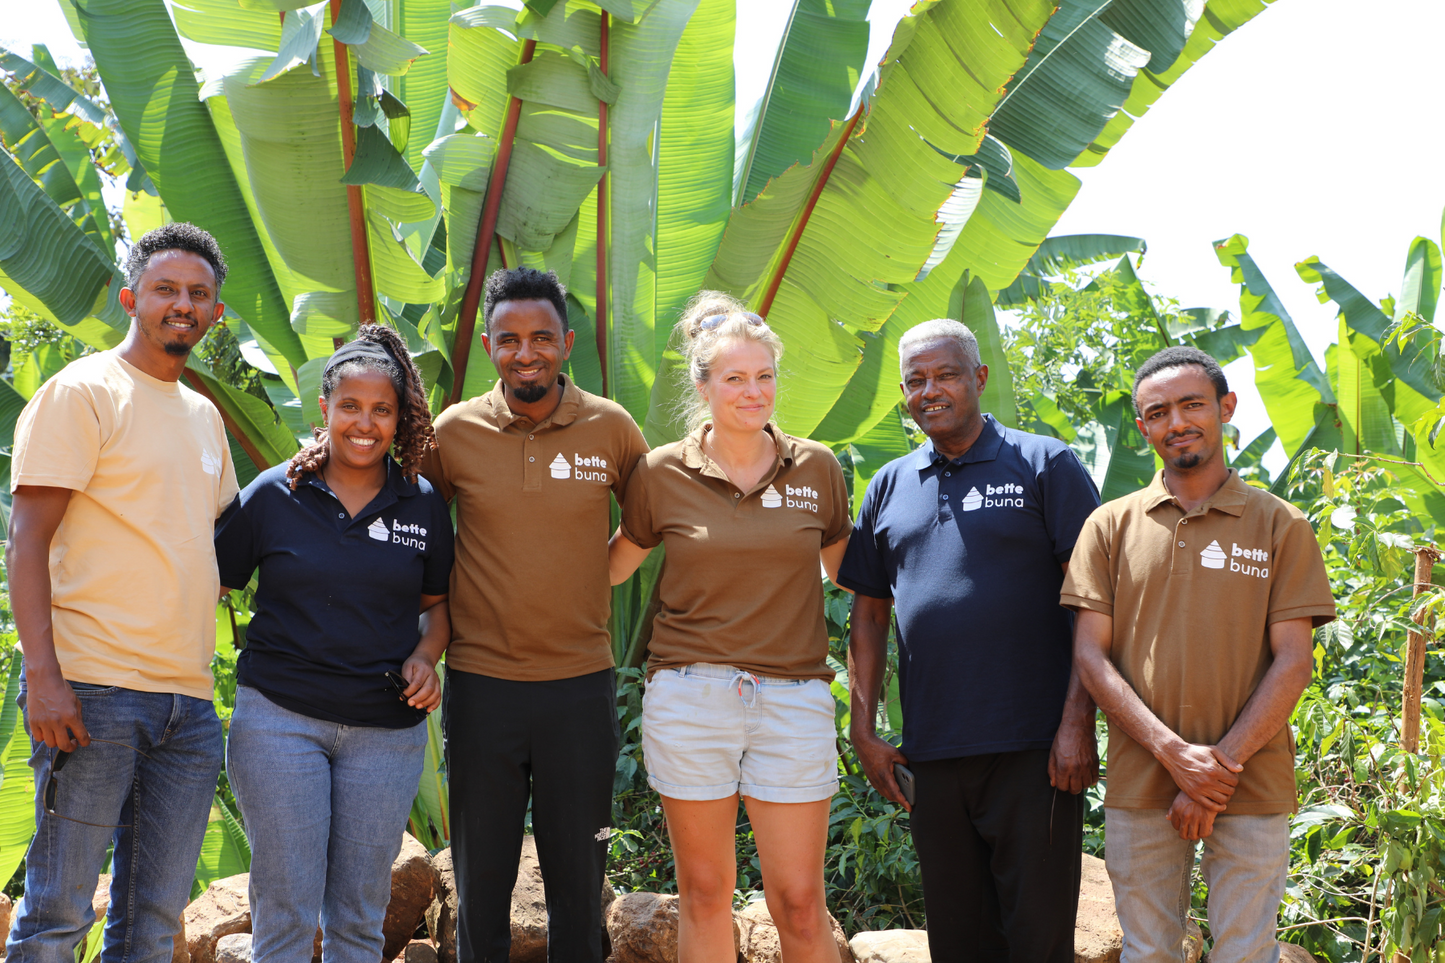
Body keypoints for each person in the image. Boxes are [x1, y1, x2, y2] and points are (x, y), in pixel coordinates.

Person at [4, 223, 239, 963]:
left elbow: (223, 543)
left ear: (216, 314)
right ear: (131, 297)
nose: (183, 303)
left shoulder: (205, 416)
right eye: (166, 289)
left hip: (188, 705)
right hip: (92, 689)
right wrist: (44, 677)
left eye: (198, 293)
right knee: (57, 912)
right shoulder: (84, 391)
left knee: (150, 921)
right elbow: (27, 541)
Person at [836, 318, 1101, 963]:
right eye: (916, 380)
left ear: (979, 378)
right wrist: (863, 731)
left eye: (946, 374)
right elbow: (868, 617)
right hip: (932, 753)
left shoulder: (1044, 463)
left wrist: (1076, 723)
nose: (931, 390)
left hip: (1033, 749)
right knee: (959, 943)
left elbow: (1095, 604)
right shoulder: (889, 485)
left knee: (1038, 941)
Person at [1062, 346, 1334, 963]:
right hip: (1141, 781)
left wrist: (1216, 771)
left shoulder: (1279, 524)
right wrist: (1173, 755)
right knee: (1148, 951)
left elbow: (1294, 662)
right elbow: (1091, 658)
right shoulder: (1109, 526)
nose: (1176, 422)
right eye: (1158, 412)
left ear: (1226, 408)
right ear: (1143, 428)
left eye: (1192, 405)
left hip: (1253, 780)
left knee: (1244, 952)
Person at [607, 293, 852, 963]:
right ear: (702, 382)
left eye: (764, 376)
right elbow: (607, 570)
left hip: (794, 699)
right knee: (706, 891)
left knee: (800, 901)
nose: (753, 391)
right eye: (735, 378)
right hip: (689, 696)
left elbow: (855, 578)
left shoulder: (817, 468)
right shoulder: (661, 471)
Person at [421, 267, 648, 963]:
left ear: (565, 343)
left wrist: (589, 581)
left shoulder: (610, 426)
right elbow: (420, 537)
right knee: (481, 879)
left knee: (577, 882)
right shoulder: (454, 432)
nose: (527, 352)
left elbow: (643, 525)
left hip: (579, 685)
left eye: (542, 337)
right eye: (510, 338)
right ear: (489, 344)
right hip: (482, 684)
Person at [214, 324, 454, 963]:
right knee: (286, 911)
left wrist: (426, 658)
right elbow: (210, 583)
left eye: (382, 410)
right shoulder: (274, 493)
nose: (365, 424)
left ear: (400, 417)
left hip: (385, 732)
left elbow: (437, 610)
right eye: (350, 406)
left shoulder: (422, 503)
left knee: (358, 917)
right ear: (325, 408)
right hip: (279, 723)